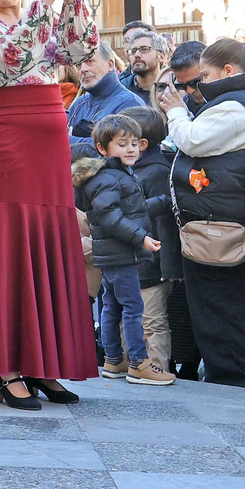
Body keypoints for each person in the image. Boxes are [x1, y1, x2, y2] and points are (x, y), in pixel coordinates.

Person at [0, 0, 95, 411]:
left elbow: (83, 50)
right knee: (15, 242)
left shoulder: (44, 16)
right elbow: (13, 56)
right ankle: (7, 370)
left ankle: (42, 364)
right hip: (10, 140)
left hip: (50, 138)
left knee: (50, 240)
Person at [159, 37, 245, 390]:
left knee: (227, 317)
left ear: (228, 71)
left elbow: (193, 139)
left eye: (203, 77)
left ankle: (240, 385)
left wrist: (175, 110)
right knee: (234, 315)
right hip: (225, 225)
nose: (197, 87)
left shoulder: (237, 107)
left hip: (225, 230)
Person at [73, 115, 177, 385]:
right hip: (121, 254)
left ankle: (113, 360)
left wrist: (163, 201)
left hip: (113, 255)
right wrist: (141, 237)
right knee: (132, 307)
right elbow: (109, 216)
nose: (131, 149)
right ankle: (139, 364)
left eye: (134, 143)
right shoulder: (110, 177)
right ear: (102, 149)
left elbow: (132, 208)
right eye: (122, 144)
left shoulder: (115, 174)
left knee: (112, 306)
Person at [121, 106, 180, 377]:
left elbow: (164, 224)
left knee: (152, 322)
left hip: (151, 265)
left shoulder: (156, 172)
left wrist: (164, 268)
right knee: (131, 319)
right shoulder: (129, 169)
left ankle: (155, 367)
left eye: (123, 140)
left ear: (141, 144)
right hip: (130, 262)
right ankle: (131, 365)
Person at [66, 42, 143, 160]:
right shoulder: (79, 104)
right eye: (78, 65)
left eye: (90, 61)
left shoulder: (131, 104)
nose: (83, 69)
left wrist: (68, 139)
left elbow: (114, 149)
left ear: (110, 64)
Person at [120, 28, 170, 103]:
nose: (137, 55)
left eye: (144, 49)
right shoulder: (121, 89)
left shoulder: (174, 87)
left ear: (162, 56)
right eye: (133, 51)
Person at [166, 41, 208, 116]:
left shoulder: (229, 103)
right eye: (182, 86)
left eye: (195, 83)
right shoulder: (184, 103)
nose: (189, 91)